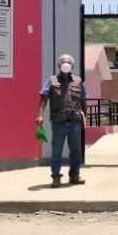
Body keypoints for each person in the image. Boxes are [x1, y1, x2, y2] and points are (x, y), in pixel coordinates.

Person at [36, 54, 88, 188]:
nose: (66, 64)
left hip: (75, 121)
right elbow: (43, 99)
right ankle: (56, 177)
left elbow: (83, 100)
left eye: (69, 62)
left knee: (76, 150)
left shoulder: (78, 80)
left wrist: (85, 117)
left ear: (72, 65)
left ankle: (74, 175)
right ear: (59, 65)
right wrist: (40, 115)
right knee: (57, 151)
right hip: (58, 121)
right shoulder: (52, 80)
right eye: (63, 62)